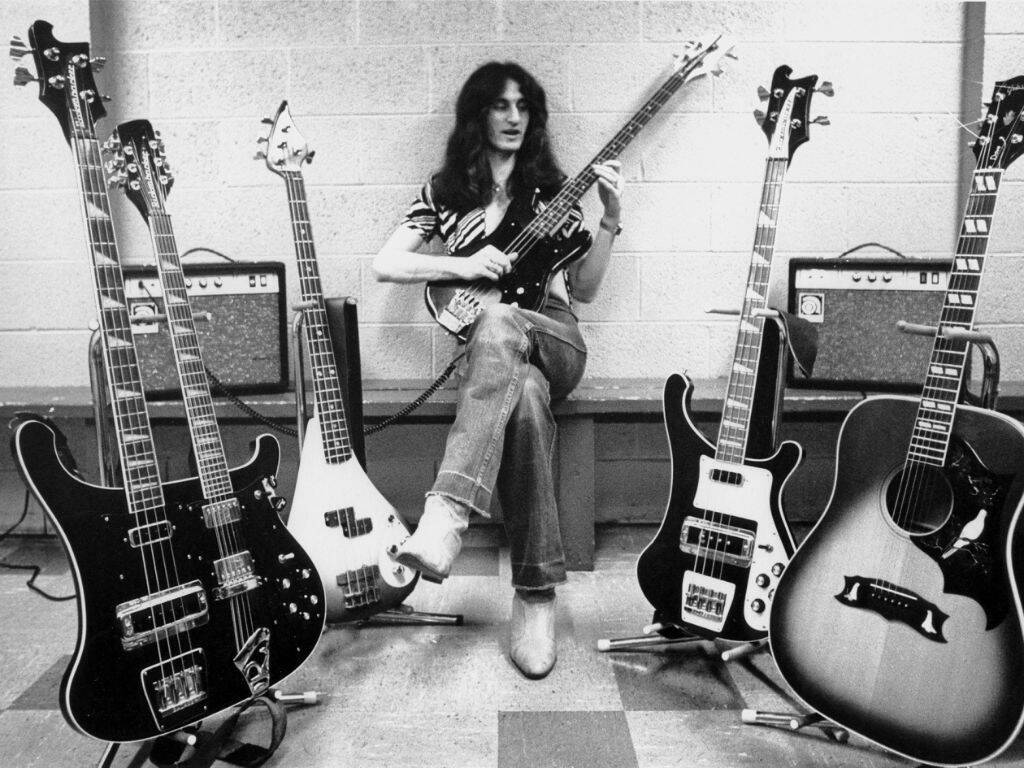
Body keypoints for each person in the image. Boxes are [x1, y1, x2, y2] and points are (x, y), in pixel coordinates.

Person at [373, 61, 623, 679]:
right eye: (500, 105)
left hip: (555, 337)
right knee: (527, 401)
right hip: (498, 360)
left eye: (523, 107)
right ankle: (536, 598)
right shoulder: (445, 193)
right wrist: (462, 265)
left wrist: (609, 218)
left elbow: (585, 291)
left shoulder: (554, 193)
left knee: (505, 323)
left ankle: (446, 515)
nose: (513, 118)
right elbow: (387, 264)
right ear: (477, 114)